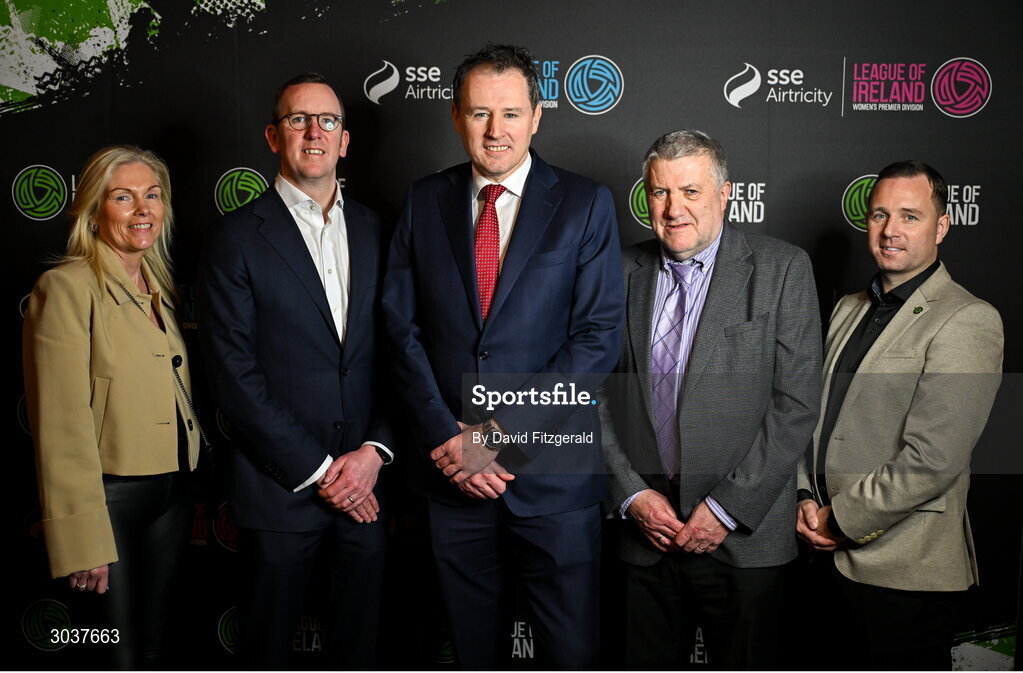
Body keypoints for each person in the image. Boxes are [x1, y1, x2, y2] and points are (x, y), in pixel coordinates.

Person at [382, 44, 624, 669]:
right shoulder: (423, 200)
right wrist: (446, 436)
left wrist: (492, 441)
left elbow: (596, 338)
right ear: (457, 118)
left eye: (512, 113)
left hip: (551, 478)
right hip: (449, 476)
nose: (496, 131)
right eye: (480, 113)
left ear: (538, 116)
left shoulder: (584, 203)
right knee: (468, 653)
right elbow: (399, 328)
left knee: (571, 654)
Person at [598, 130, 822, 669]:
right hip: (644, 536)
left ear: (725, 194)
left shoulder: (782, 269)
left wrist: (724, 509)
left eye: (691, 192)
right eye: (659, 193)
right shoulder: (618, 269)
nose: (674, 209)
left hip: (744, 541)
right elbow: (593, 395)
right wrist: (630, 494)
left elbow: (796, 404)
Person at [198, 73, 393, 668]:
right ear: (272, 136)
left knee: (360, 650)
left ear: (345, 140)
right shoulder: (234, 238)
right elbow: (233, 375)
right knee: (266, 649)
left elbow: (399, 356)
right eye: (298, 120)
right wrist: (320, 471)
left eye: (327, 121)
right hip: (280, 491)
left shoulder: (377, 230)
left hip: (367, 490)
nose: (314, 132)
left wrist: (373, 453)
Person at [796, 160, 1003, 670]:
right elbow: (813, 418)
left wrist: (839, 518)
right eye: (879, 215)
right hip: (823, 559)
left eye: (909, 216)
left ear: (942, 225)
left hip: (905, 574)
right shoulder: (848, 307)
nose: (891, 231)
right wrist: (803, 493)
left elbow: (934, 458)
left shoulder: (967, 319)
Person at [23, 145, 202, 669]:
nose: (143, 209)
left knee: (153, 650)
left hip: (171, 492)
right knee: (112, 658)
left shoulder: (158, 289)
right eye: (124, 197)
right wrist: (81, 540)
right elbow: (61, 425)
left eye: (152, 196)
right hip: (109, 502)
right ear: (94, 209)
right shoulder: (65, 288)